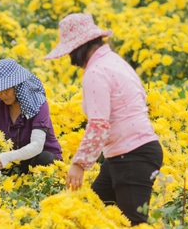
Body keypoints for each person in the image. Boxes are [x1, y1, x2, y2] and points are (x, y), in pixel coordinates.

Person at [43, 13, 163, 226]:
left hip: (132, 156)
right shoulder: (115, 62)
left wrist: (79, 164)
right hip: (125, 154)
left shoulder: (96, 71)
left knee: (133, 223)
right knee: (93, 212)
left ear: (79, 47)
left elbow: (99, 125)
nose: (70, 58)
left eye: (70, 51)